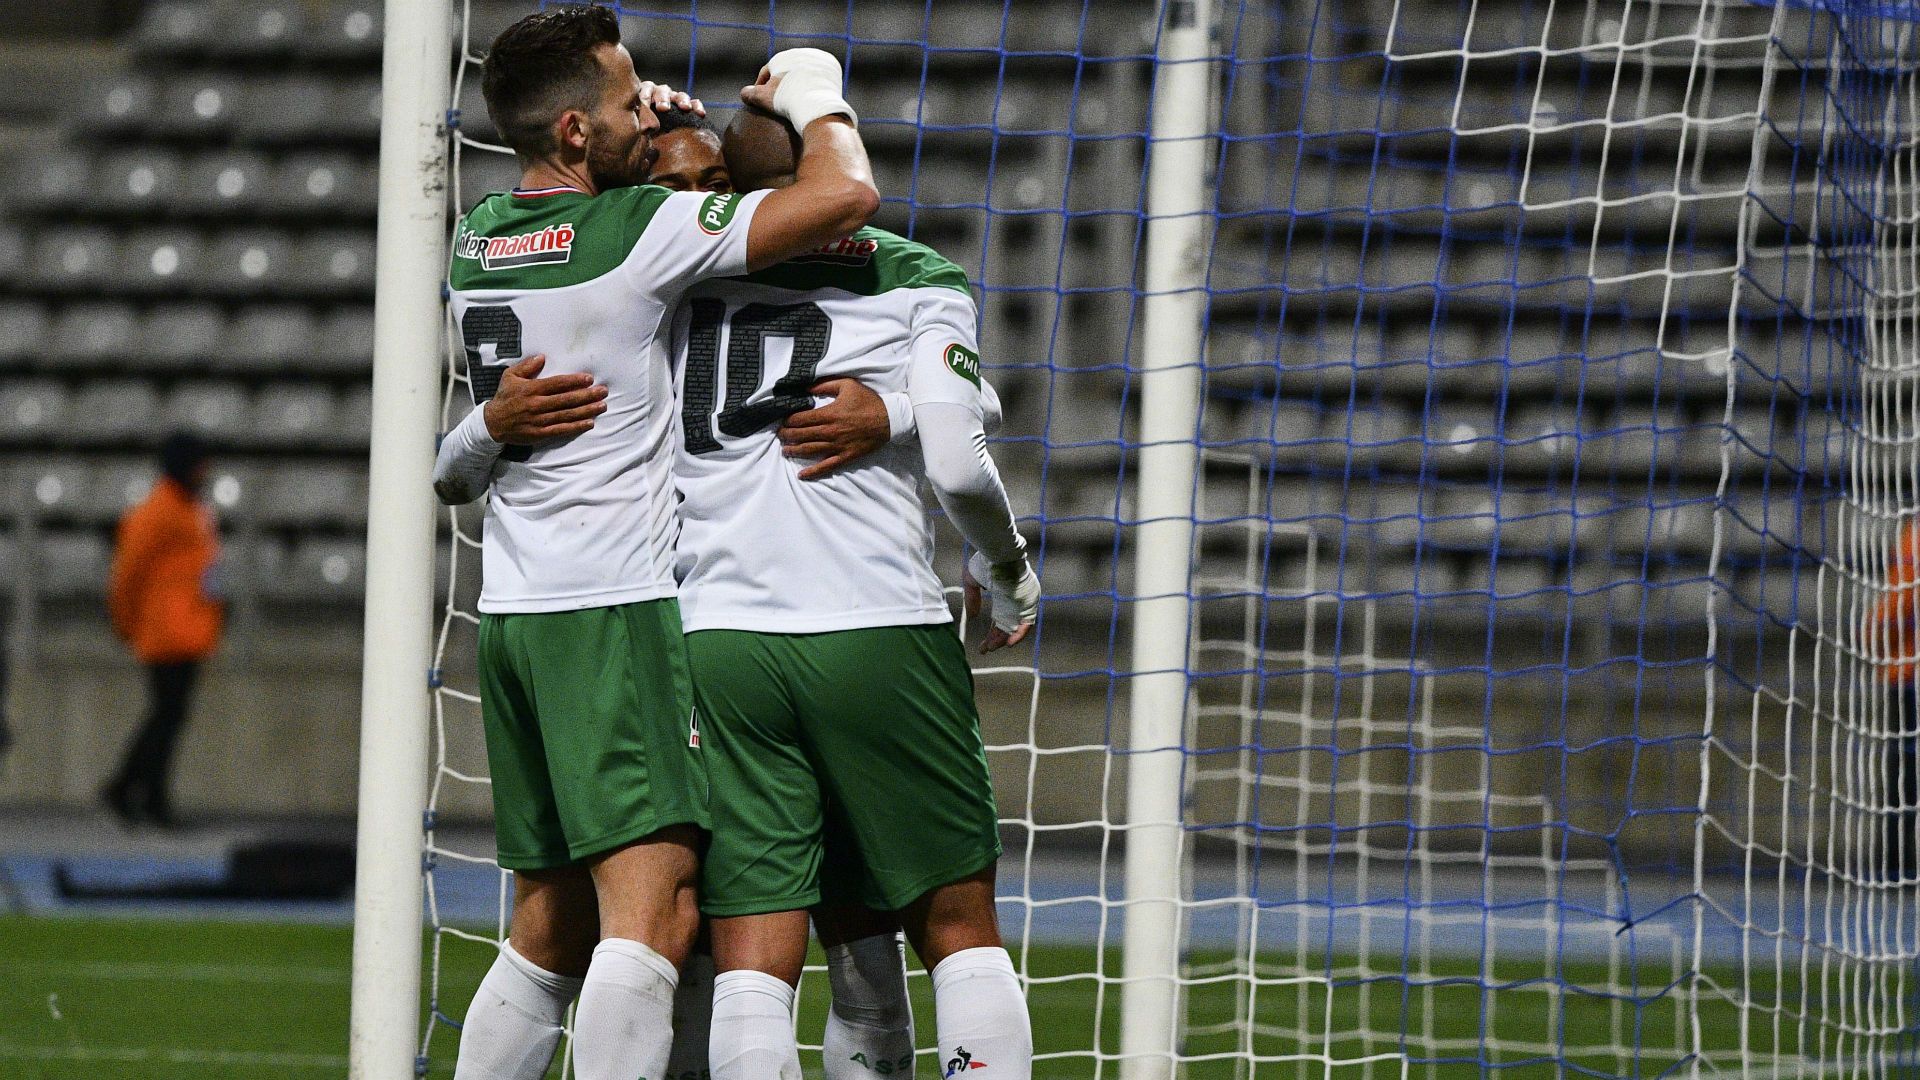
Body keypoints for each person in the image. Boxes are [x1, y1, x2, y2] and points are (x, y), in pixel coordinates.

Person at [429, 8, 880, 1080]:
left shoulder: (481, 230)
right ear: (577, 134)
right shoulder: (634, 231)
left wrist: (639, 129)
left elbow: (456, 464)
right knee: (657, 912)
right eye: (632, 100)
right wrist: (815, 87)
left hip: (515, 621)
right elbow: (844, 197)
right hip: (612, 614)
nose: (654, 110)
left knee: (550, 924)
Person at [667, 103, 1039, 1080]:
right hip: (874, 628)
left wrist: (908, 405)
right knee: (957, 923)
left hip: (720, 640)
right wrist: (1006, 572)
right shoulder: (914, 274)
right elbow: (963, 463)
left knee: (755, 944)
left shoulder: (671, 276)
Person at [103, 432, 224, 828]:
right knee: (166, 717)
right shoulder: (157, 512)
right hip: (166, 632)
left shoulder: (189, 509)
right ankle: (134, 791)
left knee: (168, 717)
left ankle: (138, 792)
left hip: (186, 629)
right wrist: (125, 622)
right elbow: (127, 574)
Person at [1874, 516, 1920, 879]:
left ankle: (1895, 864)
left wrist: (1869, 632)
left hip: (1908, 674)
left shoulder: (1913, 540)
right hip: (1905, 672)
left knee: (1903, 777)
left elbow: (1899, 605)